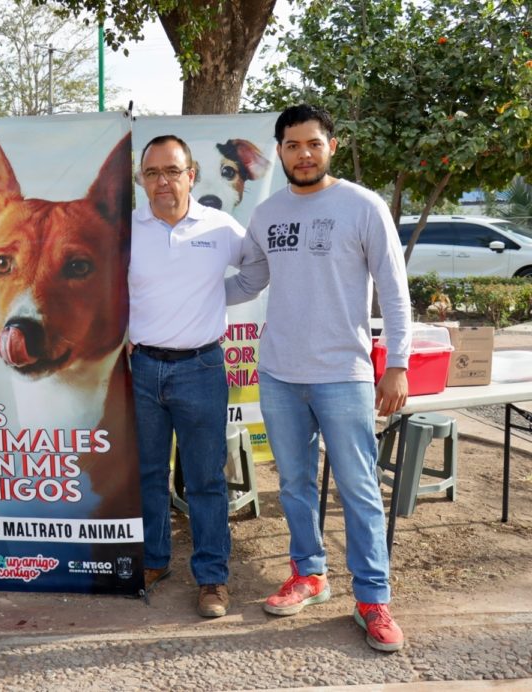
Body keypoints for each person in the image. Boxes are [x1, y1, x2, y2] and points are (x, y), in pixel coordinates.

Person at [226, 104, 411, 652]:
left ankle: (373, 598)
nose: (302, 154)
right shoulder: (267, 214)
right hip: (280, 374)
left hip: (343, 374)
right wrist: (180, 290)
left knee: (357, 488)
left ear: (330, 144)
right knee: (294, 486)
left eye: (313, 143)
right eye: (291, 145)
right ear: (279, 150)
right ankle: (310, 574)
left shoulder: (363, 205)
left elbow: (395, 291)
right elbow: (249, 282)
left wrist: (396, 364)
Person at [128, 134, 246, 617]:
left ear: (191, 175)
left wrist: (215, 298)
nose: (162, 181)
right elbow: (105, 288)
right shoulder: (125, 229)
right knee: (148, 474)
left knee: (205, 480)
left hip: (201, 367)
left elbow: (256, 271)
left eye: (172, 171)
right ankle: (155, 561)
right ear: (141, 180)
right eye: (152, 173)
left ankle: (212, 578)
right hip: (141, 369)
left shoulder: (220, 227)